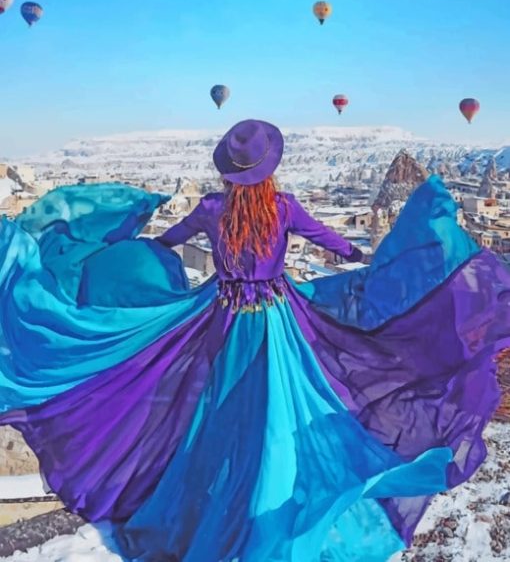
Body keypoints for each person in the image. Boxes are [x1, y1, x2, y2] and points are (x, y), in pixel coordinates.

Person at [0, 119, 509, 562]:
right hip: (275, 319)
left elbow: (168, 242)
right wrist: (367, 258)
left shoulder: (210, 208)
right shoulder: (283, 208)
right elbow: (329, 241)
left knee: (214, 411)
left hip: (220, 319)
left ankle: (209, 503)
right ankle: (264, 506)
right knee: (275, 413)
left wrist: (126, 252)